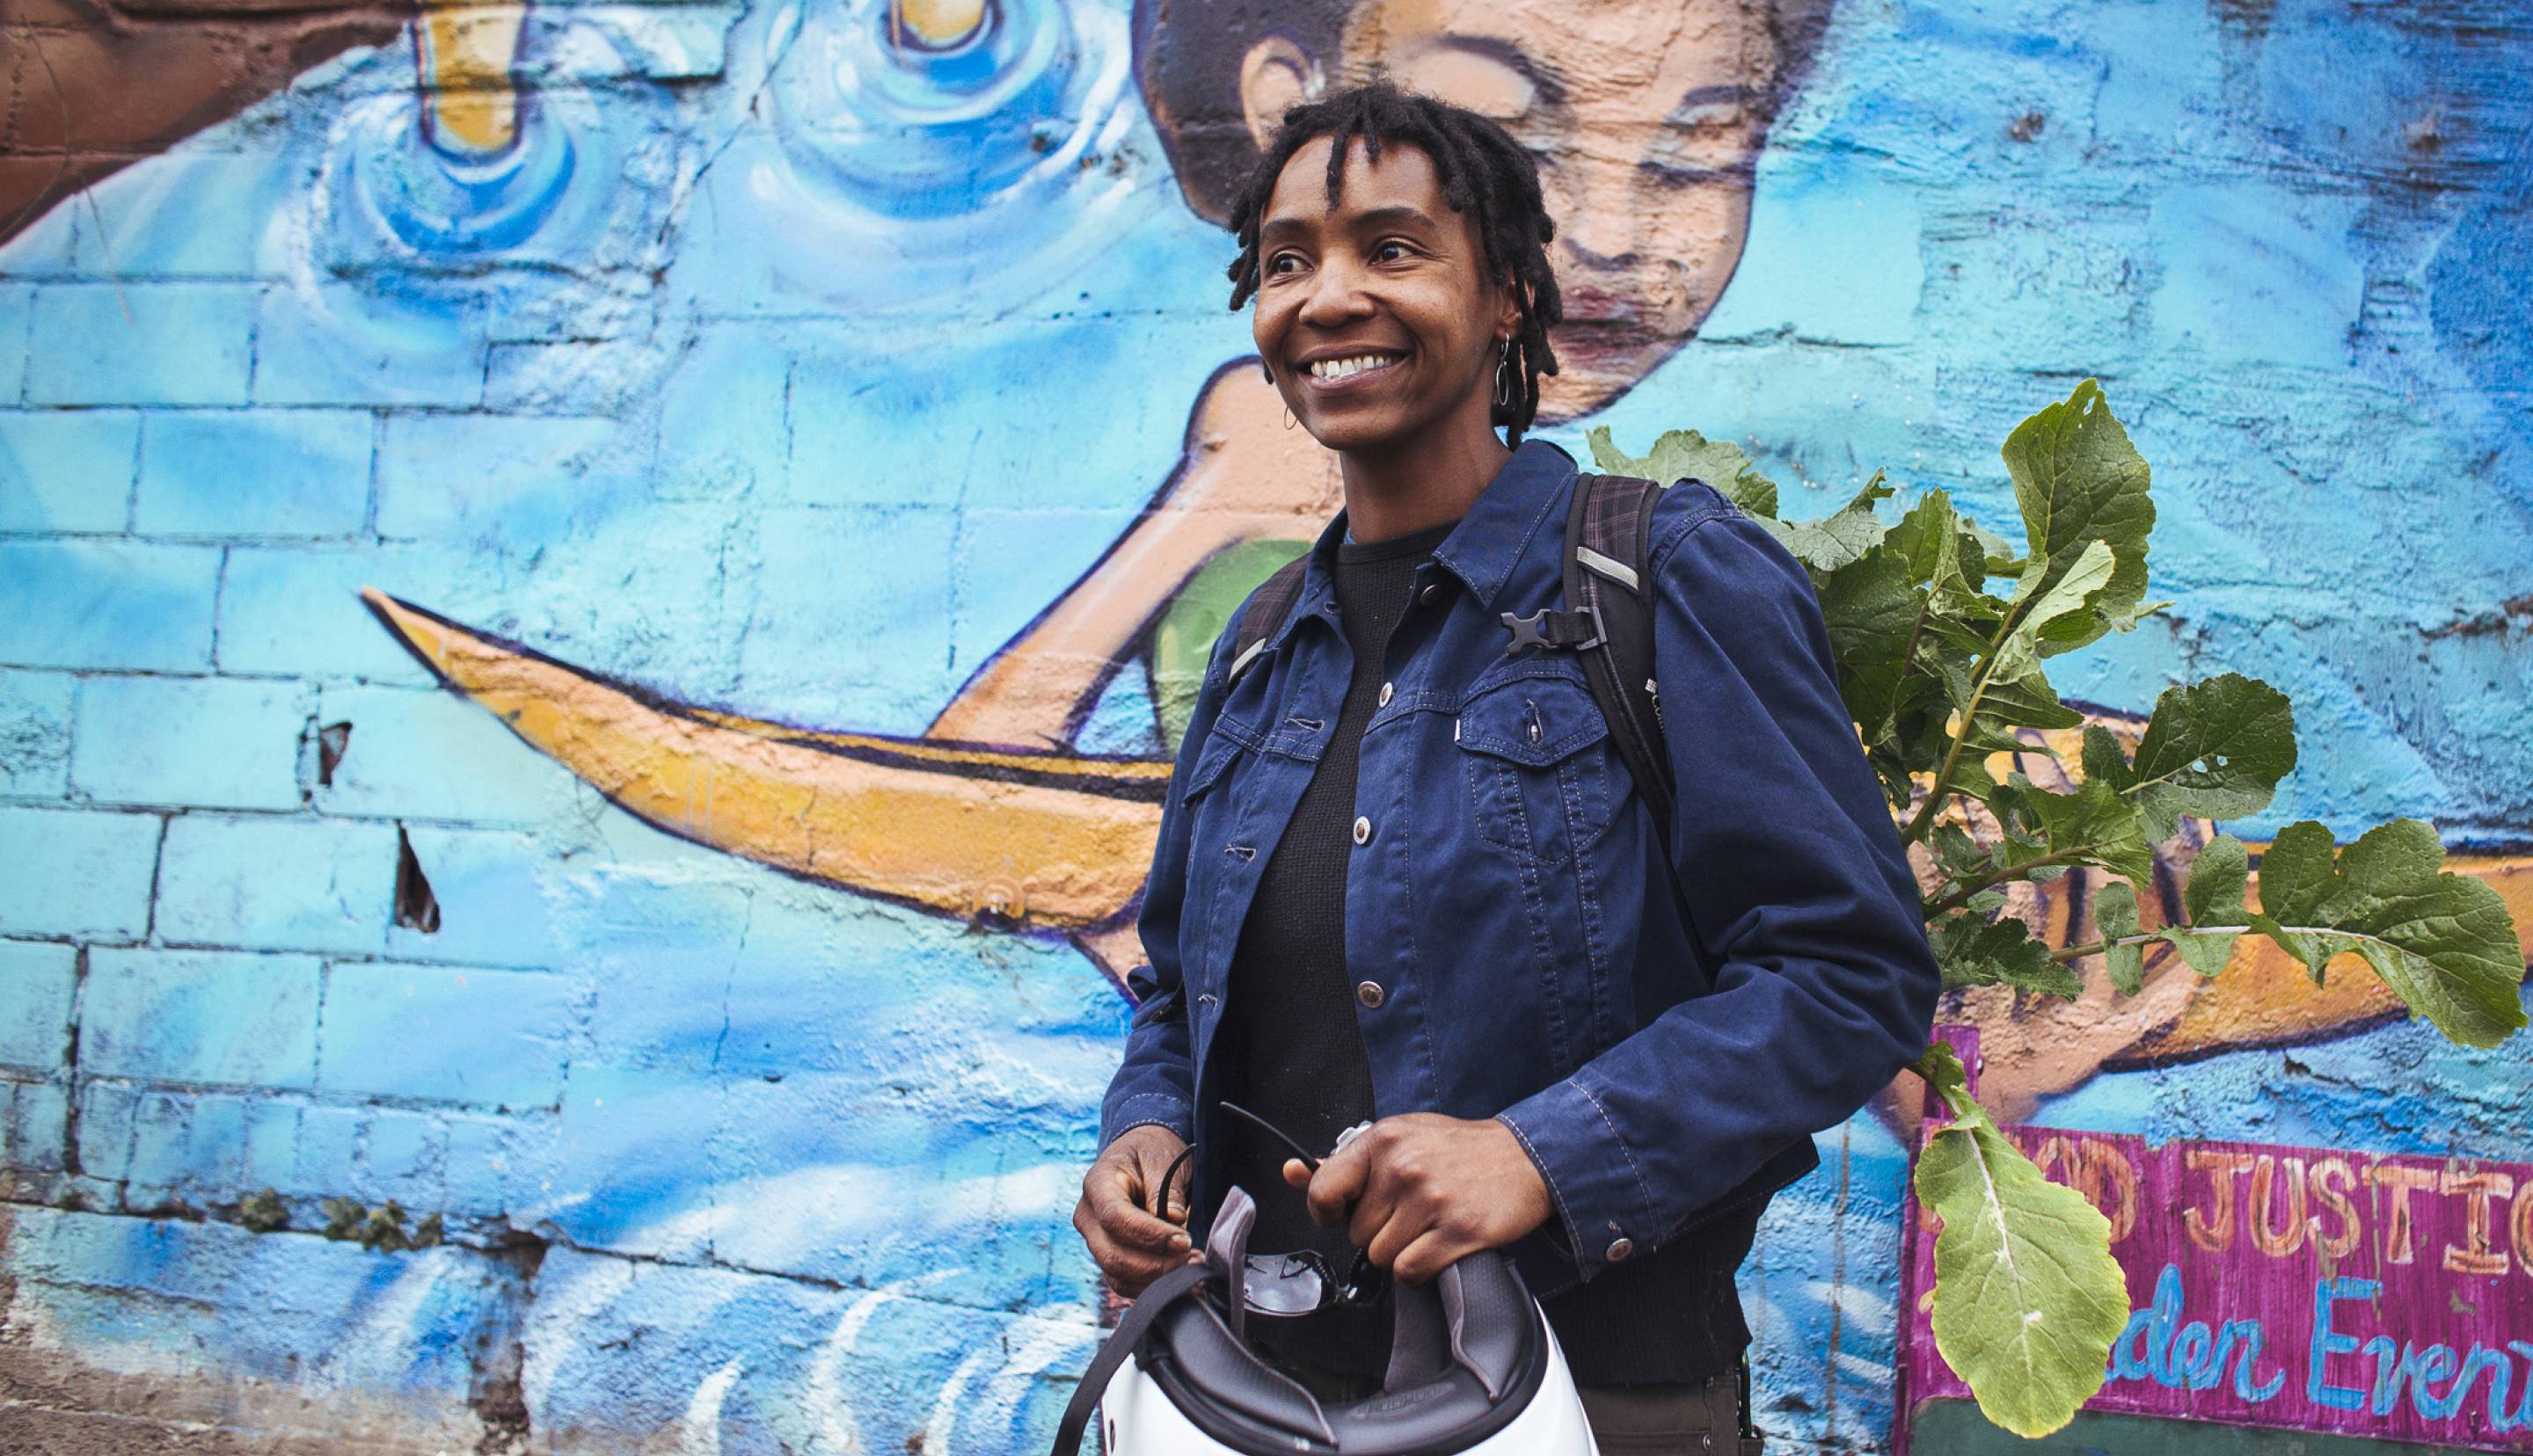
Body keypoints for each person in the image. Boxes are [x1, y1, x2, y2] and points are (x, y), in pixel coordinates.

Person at [1071, 80, 1939, 1454]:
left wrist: (1546, 1153)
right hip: (1252, 1390)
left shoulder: (1662, 581)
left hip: (1588, 1401)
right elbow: (1177, 990)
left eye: (1393, 249)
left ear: (1509, 303)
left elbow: (1850, 976)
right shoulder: (1258, 650)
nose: (1328, 296)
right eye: (1287, 261)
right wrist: (1143, 1135)